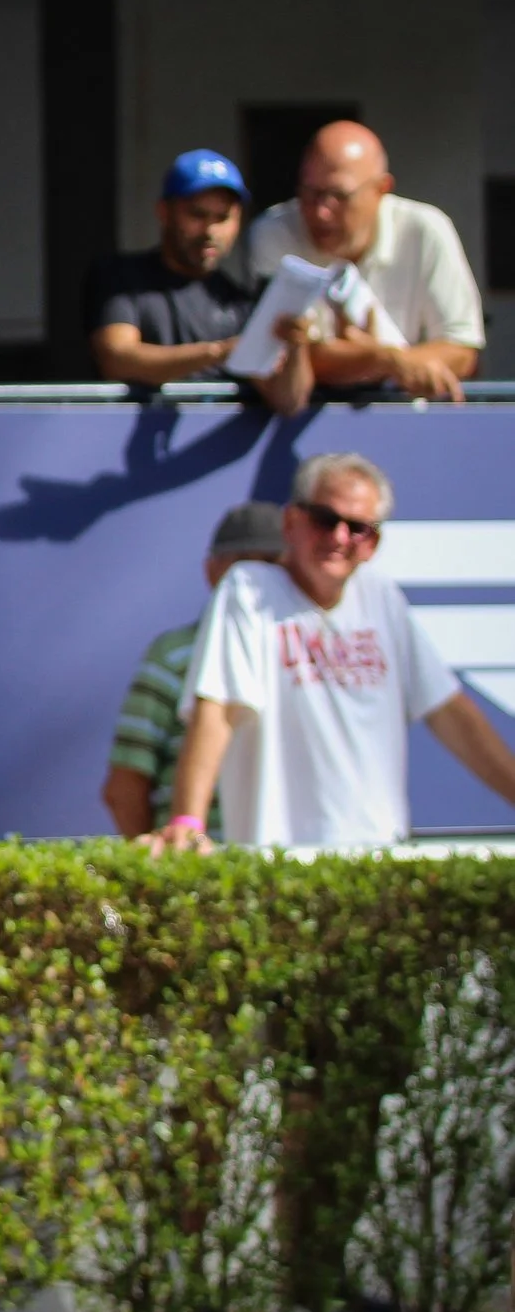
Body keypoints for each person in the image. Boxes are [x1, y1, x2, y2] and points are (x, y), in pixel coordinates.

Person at [163, 454, 515, 851]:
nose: (340, 537)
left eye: (358, 528)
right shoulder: (249, 589)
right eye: (325, 520)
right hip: (278, 861)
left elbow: (448, 711)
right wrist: (187, 821)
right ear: (291, 522)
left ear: (374, 544)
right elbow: (218, 709)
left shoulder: (381, 597)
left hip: (379, 860)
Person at [242, 122, 485, 404]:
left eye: (339, 196)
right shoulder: (273, 232)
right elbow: (282, 356)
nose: (321, 212)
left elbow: (463, 350)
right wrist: (386, 358)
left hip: (405, 420)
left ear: (382, 189)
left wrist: (379, 360)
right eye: (309, 193)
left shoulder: (426, 230)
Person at [101, 501, 285, 842]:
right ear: (212, 571)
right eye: (243, 568)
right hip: (205, 874)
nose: (256, 583)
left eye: (274, 566)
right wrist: (172, 872)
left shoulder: (306, 656)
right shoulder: (171, 656)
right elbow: (125, 786)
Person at [86, 151, 312, 414]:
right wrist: (216, 352)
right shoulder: (120, 278)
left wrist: (296, 345)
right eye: (197, 215)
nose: (209, 232)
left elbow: (288, 401)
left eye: (222, 218)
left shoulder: (237, 301)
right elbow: (118, 359)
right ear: (164, 212)